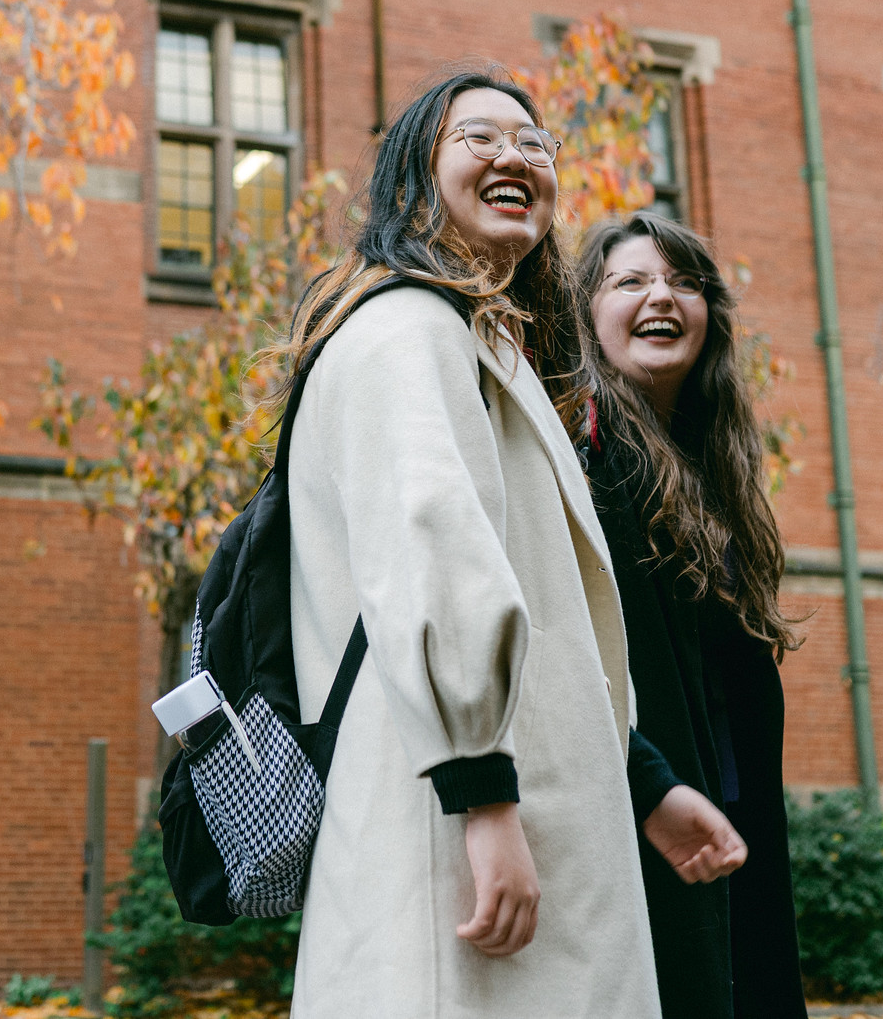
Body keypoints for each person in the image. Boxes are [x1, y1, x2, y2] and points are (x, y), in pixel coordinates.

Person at [279, 69, 738, 1018]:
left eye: (533, 142)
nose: (514, 157)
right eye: (478, 138)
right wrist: (481, 799)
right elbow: (431, 564)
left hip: (532, 810)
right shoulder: (409, 327)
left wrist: (635, 784)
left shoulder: (482, 343)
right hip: (463, 815)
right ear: (416, 176)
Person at [577, 211, 810, 1019]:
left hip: (731, 811)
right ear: (588, 313)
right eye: (631, 280)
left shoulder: (717, 471)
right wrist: (649, 783)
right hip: (639, 817)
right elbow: (566, 658)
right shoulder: (582, 461)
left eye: (682, 281)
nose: (660, 296)